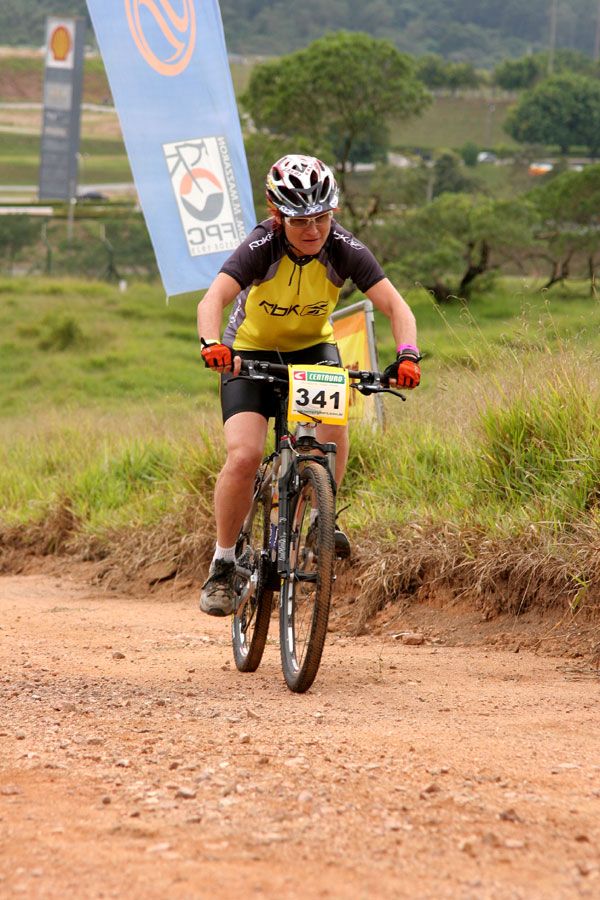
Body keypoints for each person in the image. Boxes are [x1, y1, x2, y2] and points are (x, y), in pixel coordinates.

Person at [197, 154, 420, 616]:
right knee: (244, 455)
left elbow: (399, 308)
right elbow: (213, 298)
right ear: (277, 216)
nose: (313, 230)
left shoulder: (344, 248)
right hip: (250, 351)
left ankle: (320, 518)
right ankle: (223, 563)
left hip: (312, 350)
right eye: (301, 221)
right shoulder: (261, 246)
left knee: (331, 430)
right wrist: (211, 343)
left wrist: (408, 354)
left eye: (322, 217)